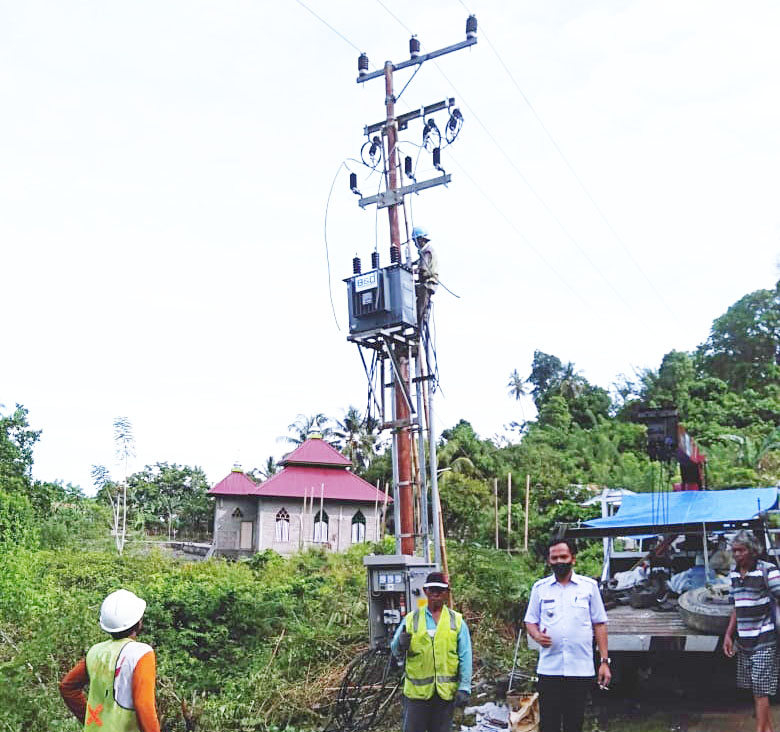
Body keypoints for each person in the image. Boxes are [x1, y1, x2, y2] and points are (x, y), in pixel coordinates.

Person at [524, 538, 610, 732]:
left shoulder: (589, 587)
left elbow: (600, 624)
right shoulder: (540, 588)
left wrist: (604, 662)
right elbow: (530, 620)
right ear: (549, 561)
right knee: (549, 725)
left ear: (573, 559)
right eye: (555, 557)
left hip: (580, 670)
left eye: (564, 556)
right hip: (549, 670)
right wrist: (537, 635)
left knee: (574, 723)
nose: (559, 561)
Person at [60, 589, 161, 732]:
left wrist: (91, 719)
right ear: (138, 622)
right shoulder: (141, 653)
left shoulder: (95, 651)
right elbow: (144, 705)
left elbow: (67, 687)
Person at [391, 571, 472, 732]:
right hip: (416, 696)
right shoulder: (411, 619)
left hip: (444, 695)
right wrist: (401, 643)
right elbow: (395, 649)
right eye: (432, 589)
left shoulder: (456, 621)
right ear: (425, 591)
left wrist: (464, 688)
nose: (435, 594)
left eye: (440, 590)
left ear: (446, 593)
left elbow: (465, 655)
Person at [723, 530, 780, 732]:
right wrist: (728, 636)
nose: (737, 554)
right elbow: (736, 608)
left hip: (765, 638)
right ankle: (769, 729)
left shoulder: (768, 570)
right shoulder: (734, 574)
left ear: (752, 551)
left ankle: (760, 729)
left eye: (742, 550)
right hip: (744, 641)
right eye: (735, 551)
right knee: (757, 690)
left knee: (760, 689)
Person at [412, 226, 438, 324]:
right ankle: (419, 325)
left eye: (415, 241)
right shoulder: (425, 251)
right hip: (427, 283)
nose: (415, 244)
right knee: (416, 301)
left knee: (421, 309)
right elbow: (418, 262)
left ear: (420, 239)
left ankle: (419, 330)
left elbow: (423, 268)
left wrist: (412, 271)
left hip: (427, 283)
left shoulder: (426, 251)